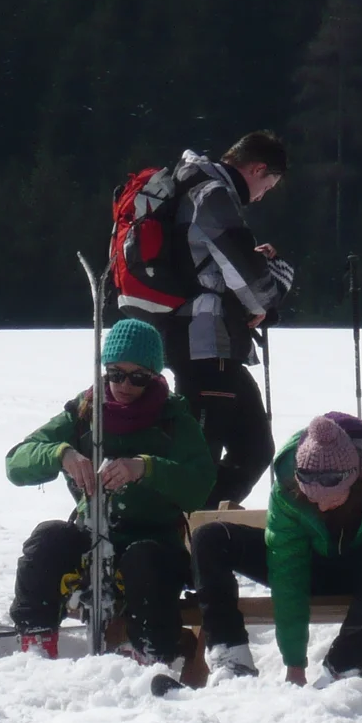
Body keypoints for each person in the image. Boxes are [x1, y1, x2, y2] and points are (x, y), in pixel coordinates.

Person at [192, 413, 362, 684]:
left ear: (356, 479)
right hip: (309, 568)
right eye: (313, 501)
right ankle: (231, 659)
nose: (323, 506)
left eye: (333, 499)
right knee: (210, 538)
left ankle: (342, 670)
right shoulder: (287, 488)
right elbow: (288, 572)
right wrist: (294, 665)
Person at [4, 319, 214, 662]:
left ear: (154, 377)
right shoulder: (84, 412)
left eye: (137, 378)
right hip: (93, 534)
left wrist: (146, 468)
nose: (124, 385)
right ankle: (36, 640)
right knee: (48, 540)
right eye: (115, 374)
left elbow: (199, 485)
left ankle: (151, 653)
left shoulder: (174, 419)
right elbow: (16, 462)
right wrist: (61, 454)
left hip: (155, 541)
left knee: (144, 559)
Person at [140, 130, 294, 508]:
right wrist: (275, 284)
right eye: (268, 185)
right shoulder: (212, 194)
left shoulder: (191, 187)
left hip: (202, 342)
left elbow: (209, 262)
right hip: (205, 345)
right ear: (258, 169)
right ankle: (187, 538)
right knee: (205, 459)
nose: (261, 196)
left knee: (254, 449)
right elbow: (249, 281)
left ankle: (204, 530)